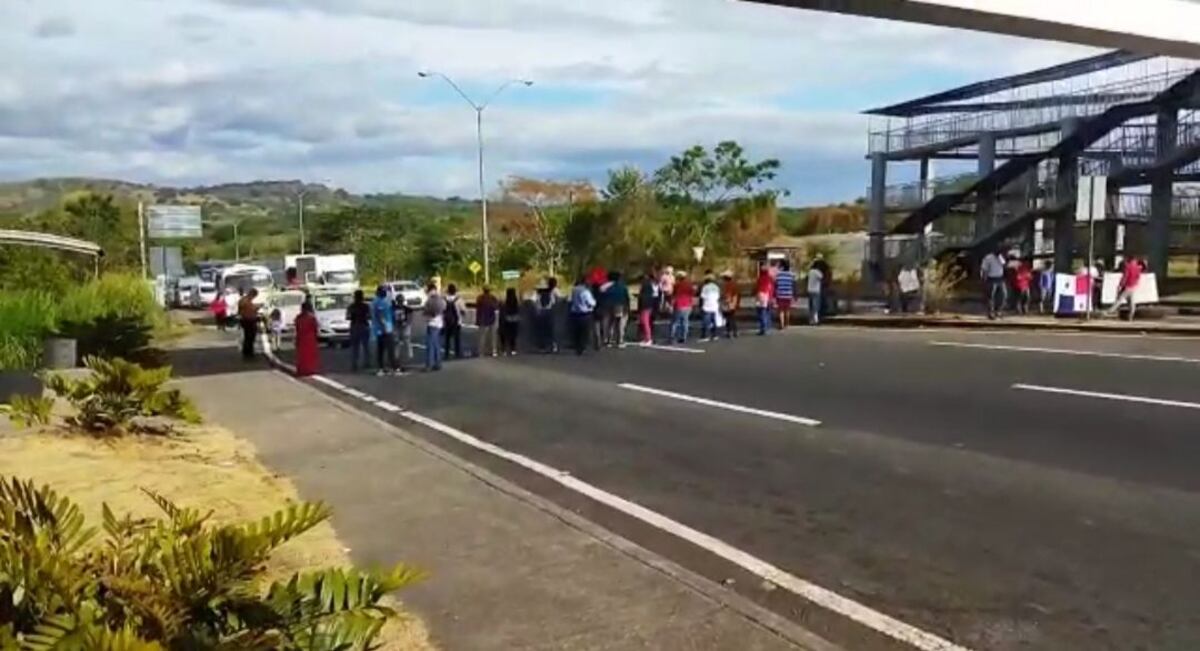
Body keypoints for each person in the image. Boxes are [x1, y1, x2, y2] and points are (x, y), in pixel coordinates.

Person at [371, 285, 398, 376]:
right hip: (384, 329)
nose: (385, 293)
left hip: (379, 330)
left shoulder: (377, 301)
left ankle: (381, 368)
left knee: (381, 350)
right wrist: (386, 327)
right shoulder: (380, 302)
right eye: (384, 291)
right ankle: (393, 368)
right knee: (390, 349)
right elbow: (381, 316)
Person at [568, 276, 597, 355]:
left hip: (574, 313)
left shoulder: (574, 289)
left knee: (576, 331)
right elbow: (591, 303)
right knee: (584, 332)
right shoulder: (585, 292)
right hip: (585, 313)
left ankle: (577, 346)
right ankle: (581, 347)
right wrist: (594, 302)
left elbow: (570, 300)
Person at [346, 289, 371, 372]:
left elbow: (348, 317)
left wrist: (354, 315)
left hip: (354, 326)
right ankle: (367, 362)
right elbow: (369, 316)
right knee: (365, 346)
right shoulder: (365, 306)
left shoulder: (351, 306)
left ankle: (354, 364)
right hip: (364, 325)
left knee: (355, 347)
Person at [604, 271, 631, 348]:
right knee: (620, 324)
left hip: (609, 305)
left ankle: (608, 340)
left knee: (610, 323)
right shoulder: (622, 287)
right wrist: (628, 307)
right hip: (620, 305)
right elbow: (626, 298)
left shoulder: (607, 287)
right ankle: (620, 341)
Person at [423, 282, 446, 371]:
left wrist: (427, 312)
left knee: (430, 344)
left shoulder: (431, 299)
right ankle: (438, 363)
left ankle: (429, 364)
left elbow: (427, 310)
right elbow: (443, 308)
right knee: (436, 344)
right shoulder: (440, 299)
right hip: (439, 323)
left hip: (432, 323)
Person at [293, 300, 320, 377]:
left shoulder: (299, 317)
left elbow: (297, 328)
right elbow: (315, 328)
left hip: (301, 337)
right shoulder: (312, 318)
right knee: (311, 355)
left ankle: (302, 369)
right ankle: (311, 369)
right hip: (310, 338)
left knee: (302, 355)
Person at [534, 277, 560, 353]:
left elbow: (535, 302)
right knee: (551, 330)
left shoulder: (538, 294)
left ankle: (542, 347)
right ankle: (553, 346)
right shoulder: (551, 293)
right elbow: (554, 302)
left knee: (542, 331)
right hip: (549, 312)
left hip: (541, 312)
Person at [980, 248, 1007, 319]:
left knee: (1003, 295)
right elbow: (984, 269)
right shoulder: (988, 258)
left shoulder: (1000, 257)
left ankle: (998, 311)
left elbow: (1004, 266)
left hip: (1000, 279)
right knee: (991, 297)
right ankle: (991, 312)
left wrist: (1001, 259)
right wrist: (984, 279)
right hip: (991, 279)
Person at [671, 271, 694, 344]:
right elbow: (692, 294)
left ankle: (672, 336)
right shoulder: (689, 285)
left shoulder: (676, 285)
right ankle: (683, 337)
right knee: (685, 322)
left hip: (679, 304)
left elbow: (674, 295)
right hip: (688, 305)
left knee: (675, 322)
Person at [476, 286, 499, 357]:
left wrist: (477, 320)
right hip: (491, 318)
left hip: (482, 319)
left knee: (482, 337)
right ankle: (493, 351)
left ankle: (481, 352)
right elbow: (496, 307)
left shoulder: (480, 298)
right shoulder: (493, 298)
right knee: (493, 336)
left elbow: (478, 308)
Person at [699, 271, 721, 341]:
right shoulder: (716, 287)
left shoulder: (705, 287)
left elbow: (702, 297)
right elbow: (718, 297)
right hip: (714, 306)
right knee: (714, 321)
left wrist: (701, 306)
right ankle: (714, 335)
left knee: (705, 322)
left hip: (707, 306)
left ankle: (705, 336)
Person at [237, 288, 259, 360]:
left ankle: (248, 351)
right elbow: (248, 309)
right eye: (254, 296)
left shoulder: (245, 300)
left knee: (249, 336)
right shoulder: (246, 300)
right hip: (248, 320)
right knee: (250, 336)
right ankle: (248, 352)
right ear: (252, 294)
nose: (254, 298)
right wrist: (256, 308)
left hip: (247, 320)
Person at [443, 283, 463, 359]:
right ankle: (457, 353)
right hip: (457, 322)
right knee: (457, 338)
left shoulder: (444, 299)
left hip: (447, 322)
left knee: (447, 339)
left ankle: (446, 354)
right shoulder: (459, 299)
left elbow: (442, 310)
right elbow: (463, 310)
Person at [774, 261, 796, 329]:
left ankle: (782, 324)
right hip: (788, 294)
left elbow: (776, 285)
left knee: (781, 310)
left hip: (780, 294)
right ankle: (787, 323)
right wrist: (794, 295)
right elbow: (793, 285)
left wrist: (775, 294)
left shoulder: (778, 275)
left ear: (782, 266)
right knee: (787, 310)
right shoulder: (791, 275)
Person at [637, 270, 657, 345]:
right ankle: (646, 338)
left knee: (645, 322)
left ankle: (648, 339)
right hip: (648, 305)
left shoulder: (645, 285)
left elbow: (643, 297)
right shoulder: (649, 285)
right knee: (644, 322)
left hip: (645, 306)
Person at [500, 287, 522, 356]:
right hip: (515, 320)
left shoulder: (505, 303)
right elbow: (519, 310)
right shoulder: (516, 302)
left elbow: (503, 312)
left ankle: (504, 350)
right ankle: (513, 349)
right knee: (513, 335)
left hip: (507, 320)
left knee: (505, 335)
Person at [755, 264, 773, 335]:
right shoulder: (770, 278)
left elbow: (757, 287)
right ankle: (768, 326)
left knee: (761, 312)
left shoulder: (760, 278)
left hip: (761, 295)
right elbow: (772, 288)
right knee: (768, 311)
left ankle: (763, 328)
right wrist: (771, 297)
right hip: (768, 296)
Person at [720, 270, 740, 338]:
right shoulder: (734, 284)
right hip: (734, 303)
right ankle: (735, 331)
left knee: (728, 318)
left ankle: (729, 331)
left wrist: (724, 300)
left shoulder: (726, 285)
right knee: (732, 318)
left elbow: (726, 295)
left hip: (728, 303)